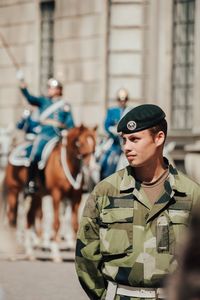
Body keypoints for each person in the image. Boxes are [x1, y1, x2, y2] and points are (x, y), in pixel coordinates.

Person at [75, 103, 200, 300]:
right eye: (124, 140)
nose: (126, 147)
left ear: (159, 138)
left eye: (134, 139)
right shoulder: (105, 191)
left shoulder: (191, 193)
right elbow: (86, 258)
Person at [19, 77, 75, 195]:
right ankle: (31, 182)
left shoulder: (65, 105)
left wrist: (68, 131)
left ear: (59, 90)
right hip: (45, 134)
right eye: (49, 87)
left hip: (58, 135)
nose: (49, 90)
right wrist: (24, 89)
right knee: (36, 154)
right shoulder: (43, 101)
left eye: (52, 87)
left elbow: (70, 122)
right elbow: (30, 99)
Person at [99, 88, 130, 180]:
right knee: (107, 159)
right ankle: (105, 178)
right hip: (115, 142)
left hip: (127, 141)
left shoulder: (130, 111)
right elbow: (106, 124)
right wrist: (112, 130)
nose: (122, 102)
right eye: (120, 100)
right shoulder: (112, 111)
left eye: (124, 99)